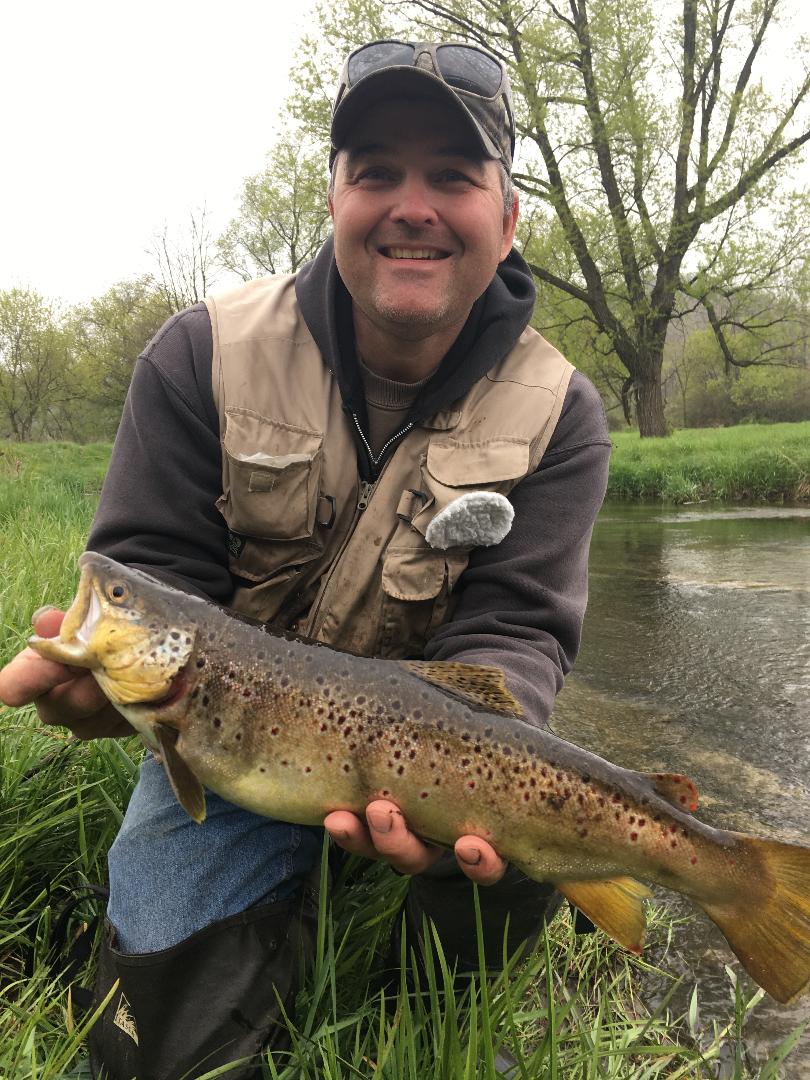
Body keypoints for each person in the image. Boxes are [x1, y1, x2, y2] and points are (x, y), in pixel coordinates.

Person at [0, 39, 611, 1079]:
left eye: (453, 177)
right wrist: (116, 691)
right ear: (332, 200)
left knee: (516, 876)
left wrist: (461, 760)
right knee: (161, 1053)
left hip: (434, 740)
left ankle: (433, 994)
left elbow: (515, 635)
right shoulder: (201, 353)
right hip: (231, 743)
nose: (410, 205)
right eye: (375, 170)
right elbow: (148, 564)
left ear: (507, 223)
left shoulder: (563, 414)